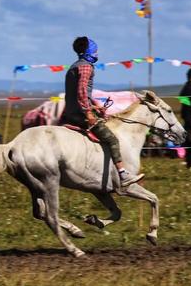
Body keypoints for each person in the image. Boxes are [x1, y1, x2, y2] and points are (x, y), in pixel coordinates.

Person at [60, 36, 144, 187]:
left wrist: (95, 106)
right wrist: (88, 113)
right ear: (89, 51)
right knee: (112, 139)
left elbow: (82, 94)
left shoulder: (74, 66)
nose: (98, 52)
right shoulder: (86, 67)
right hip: (80, 115)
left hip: (71, 111)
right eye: (95, 49)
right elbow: (80, 92)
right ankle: (123, 174)